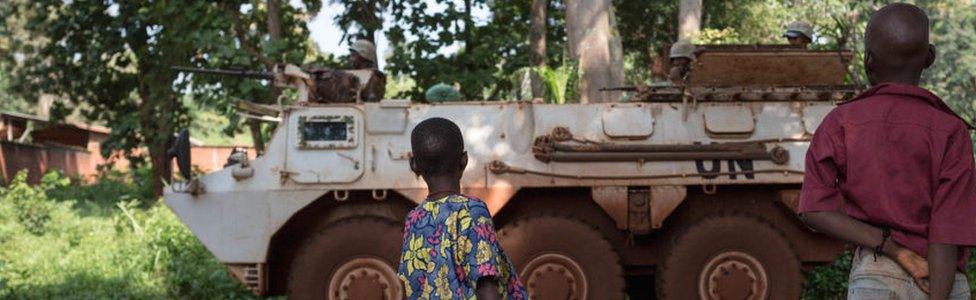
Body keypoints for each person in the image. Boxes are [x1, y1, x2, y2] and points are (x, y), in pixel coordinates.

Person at [798, 3, 975, 299]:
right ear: (929, 58)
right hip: (942, 279)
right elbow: (947, 228)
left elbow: (814, 209)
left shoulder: (840, 123)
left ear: (868, 60)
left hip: (877, 276)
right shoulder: (951, 130)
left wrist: (893, 249)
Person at [397, 118, 527, 299]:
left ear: (414, 166)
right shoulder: (472, 211)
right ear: (464, 160)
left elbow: (409, 286)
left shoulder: (414, 218)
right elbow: (486, 286)